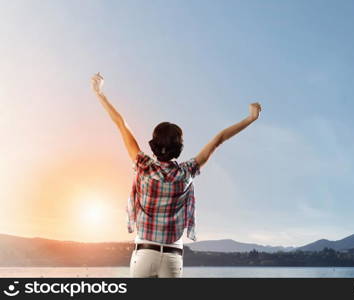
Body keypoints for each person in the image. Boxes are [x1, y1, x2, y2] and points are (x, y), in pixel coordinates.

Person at [91, 72, 262, 277]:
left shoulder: (143, 165)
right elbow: (219, 139)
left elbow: (121, 124)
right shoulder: (187, 171)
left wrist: (100, 93)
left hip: (144, 253)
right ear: (179, 147)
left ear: (154, 145)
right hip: (172, 257)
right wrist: (250, 118)